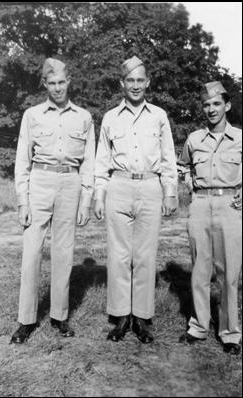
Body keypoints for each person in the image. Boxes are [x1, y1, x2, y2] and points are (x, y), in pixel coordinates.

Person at [11, 58, 95, 344]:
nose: (57, 88)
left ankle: (59, 316)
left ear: (69, 81)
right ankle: (26, 320)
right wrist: (22, 200)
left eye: (61, 82)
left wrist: (86, 200)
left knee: (64, 253)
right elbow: (22, 159)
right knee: (31, 253)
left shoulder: (83, 117)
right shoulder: (32, 115)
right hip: (40, 182)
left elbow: (89, 162)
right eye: (52, 83)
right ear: (44, 84)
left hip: (70, 183)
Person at [94, 56, 178, 343]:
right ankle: (120, 318)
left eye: (140, 80)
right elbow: (101, 160)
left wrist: (170, 192)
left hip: (150, 187)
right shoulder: (109, 117)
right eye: (130, 80)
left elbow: (168, 158)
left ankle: (141, 318)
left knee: (144, 255)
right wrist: (98, 194)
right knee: (119, 256)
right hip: (119, 186)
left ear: (148, 82)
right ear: (122, 83)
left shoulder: (159, 115)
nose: (135, 85)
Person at [179, 81, 242, 355]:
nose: (211, 109)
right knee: (200, 270)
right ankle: (198, 326)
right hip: (201, 205)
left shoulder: (240, 138)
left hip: (230, 206)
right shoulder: (194, 139)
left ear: (227, 105)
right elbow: (181, 166)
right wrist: (189, 184)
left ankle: (230, 333)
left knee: (229, 273)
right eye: (206, 104)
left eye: (216, 104)